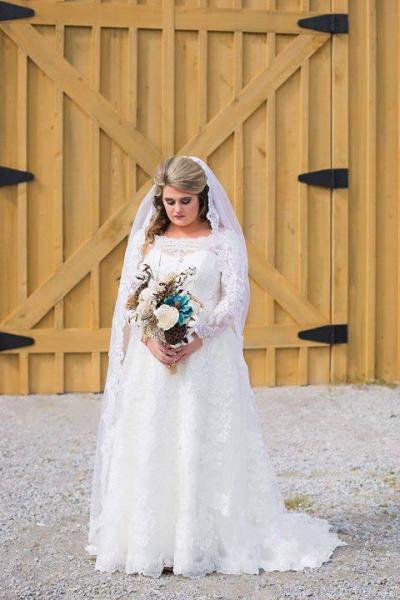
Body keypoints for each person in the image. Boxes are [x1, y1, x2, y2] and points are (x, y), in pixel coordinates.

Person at [85, 155, 347, 578]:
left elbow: (235, 300)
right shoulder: (149, 242)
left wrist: (197, 336)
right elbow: (132, 301)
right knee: (155, 438)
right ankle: (156, 541)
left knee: (202, 439)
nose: (177, 210)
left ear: (202, 199)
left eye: (185, 201)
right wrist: (152, 340)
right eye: (169, 201)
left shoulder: (222, 241)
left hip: (207, 359)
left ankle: (206, 540)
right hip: (152, 362)